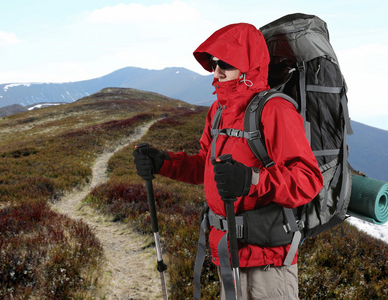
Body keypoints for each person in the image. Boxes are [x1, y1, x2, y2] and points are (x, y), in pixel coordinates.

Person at [133, 23, 323, 300]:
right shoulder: (220, 111)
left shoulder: (275, 110)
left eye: (227, 63)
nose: (217, 71)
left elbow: (308, 180)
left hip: (267, 261)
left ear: (249, 67)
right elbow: (206, 167)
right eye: (214, 63)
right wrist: (163, 163)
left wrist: (251, 180)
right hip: (228, 250)